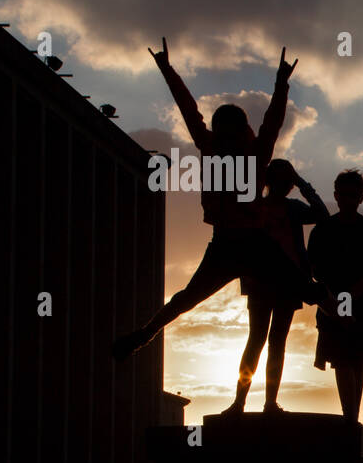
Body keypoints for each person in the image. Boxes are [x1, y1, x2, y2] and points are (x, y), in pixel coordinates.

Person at [113, 38, 334, 360]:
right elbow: (261, 120)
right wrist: (280, 83)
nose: (229, 139)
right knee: (301, 288)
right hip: (237, 243)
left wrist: (281, 84)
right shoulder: (240, 150)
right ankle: (144, 334)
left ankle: (144, 334)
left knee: (301, 288)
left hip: (244, 242)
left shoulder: (224, 148)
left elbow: (202, 114)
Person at [223, 160, 329, 415]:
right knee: (258, 341)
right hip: (261, 283)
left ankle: (267, 403)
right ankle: (240, 402)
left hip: (289, 283)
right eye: (282, 180)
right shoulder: (256, 205)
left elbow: (322, 215)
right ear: (270, 181)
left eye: (288, 181)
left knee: (274, 343)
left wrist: (304, 184)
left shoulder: (291, 209)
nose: (286, 185)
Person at [306, 170, 363, 422]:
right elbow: (311, 270)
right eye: (344, 195)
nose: (348, 199)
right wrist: (333, 298)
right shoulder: (323, 230)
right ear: (336, 195)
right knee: (342, 358)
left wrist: (355, 290)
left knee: (356, 358)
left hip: (361, 302)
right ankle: (350, 417)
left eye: (353, 195)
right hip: (331, 301)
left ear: (361, 197)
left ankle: (351, 417)